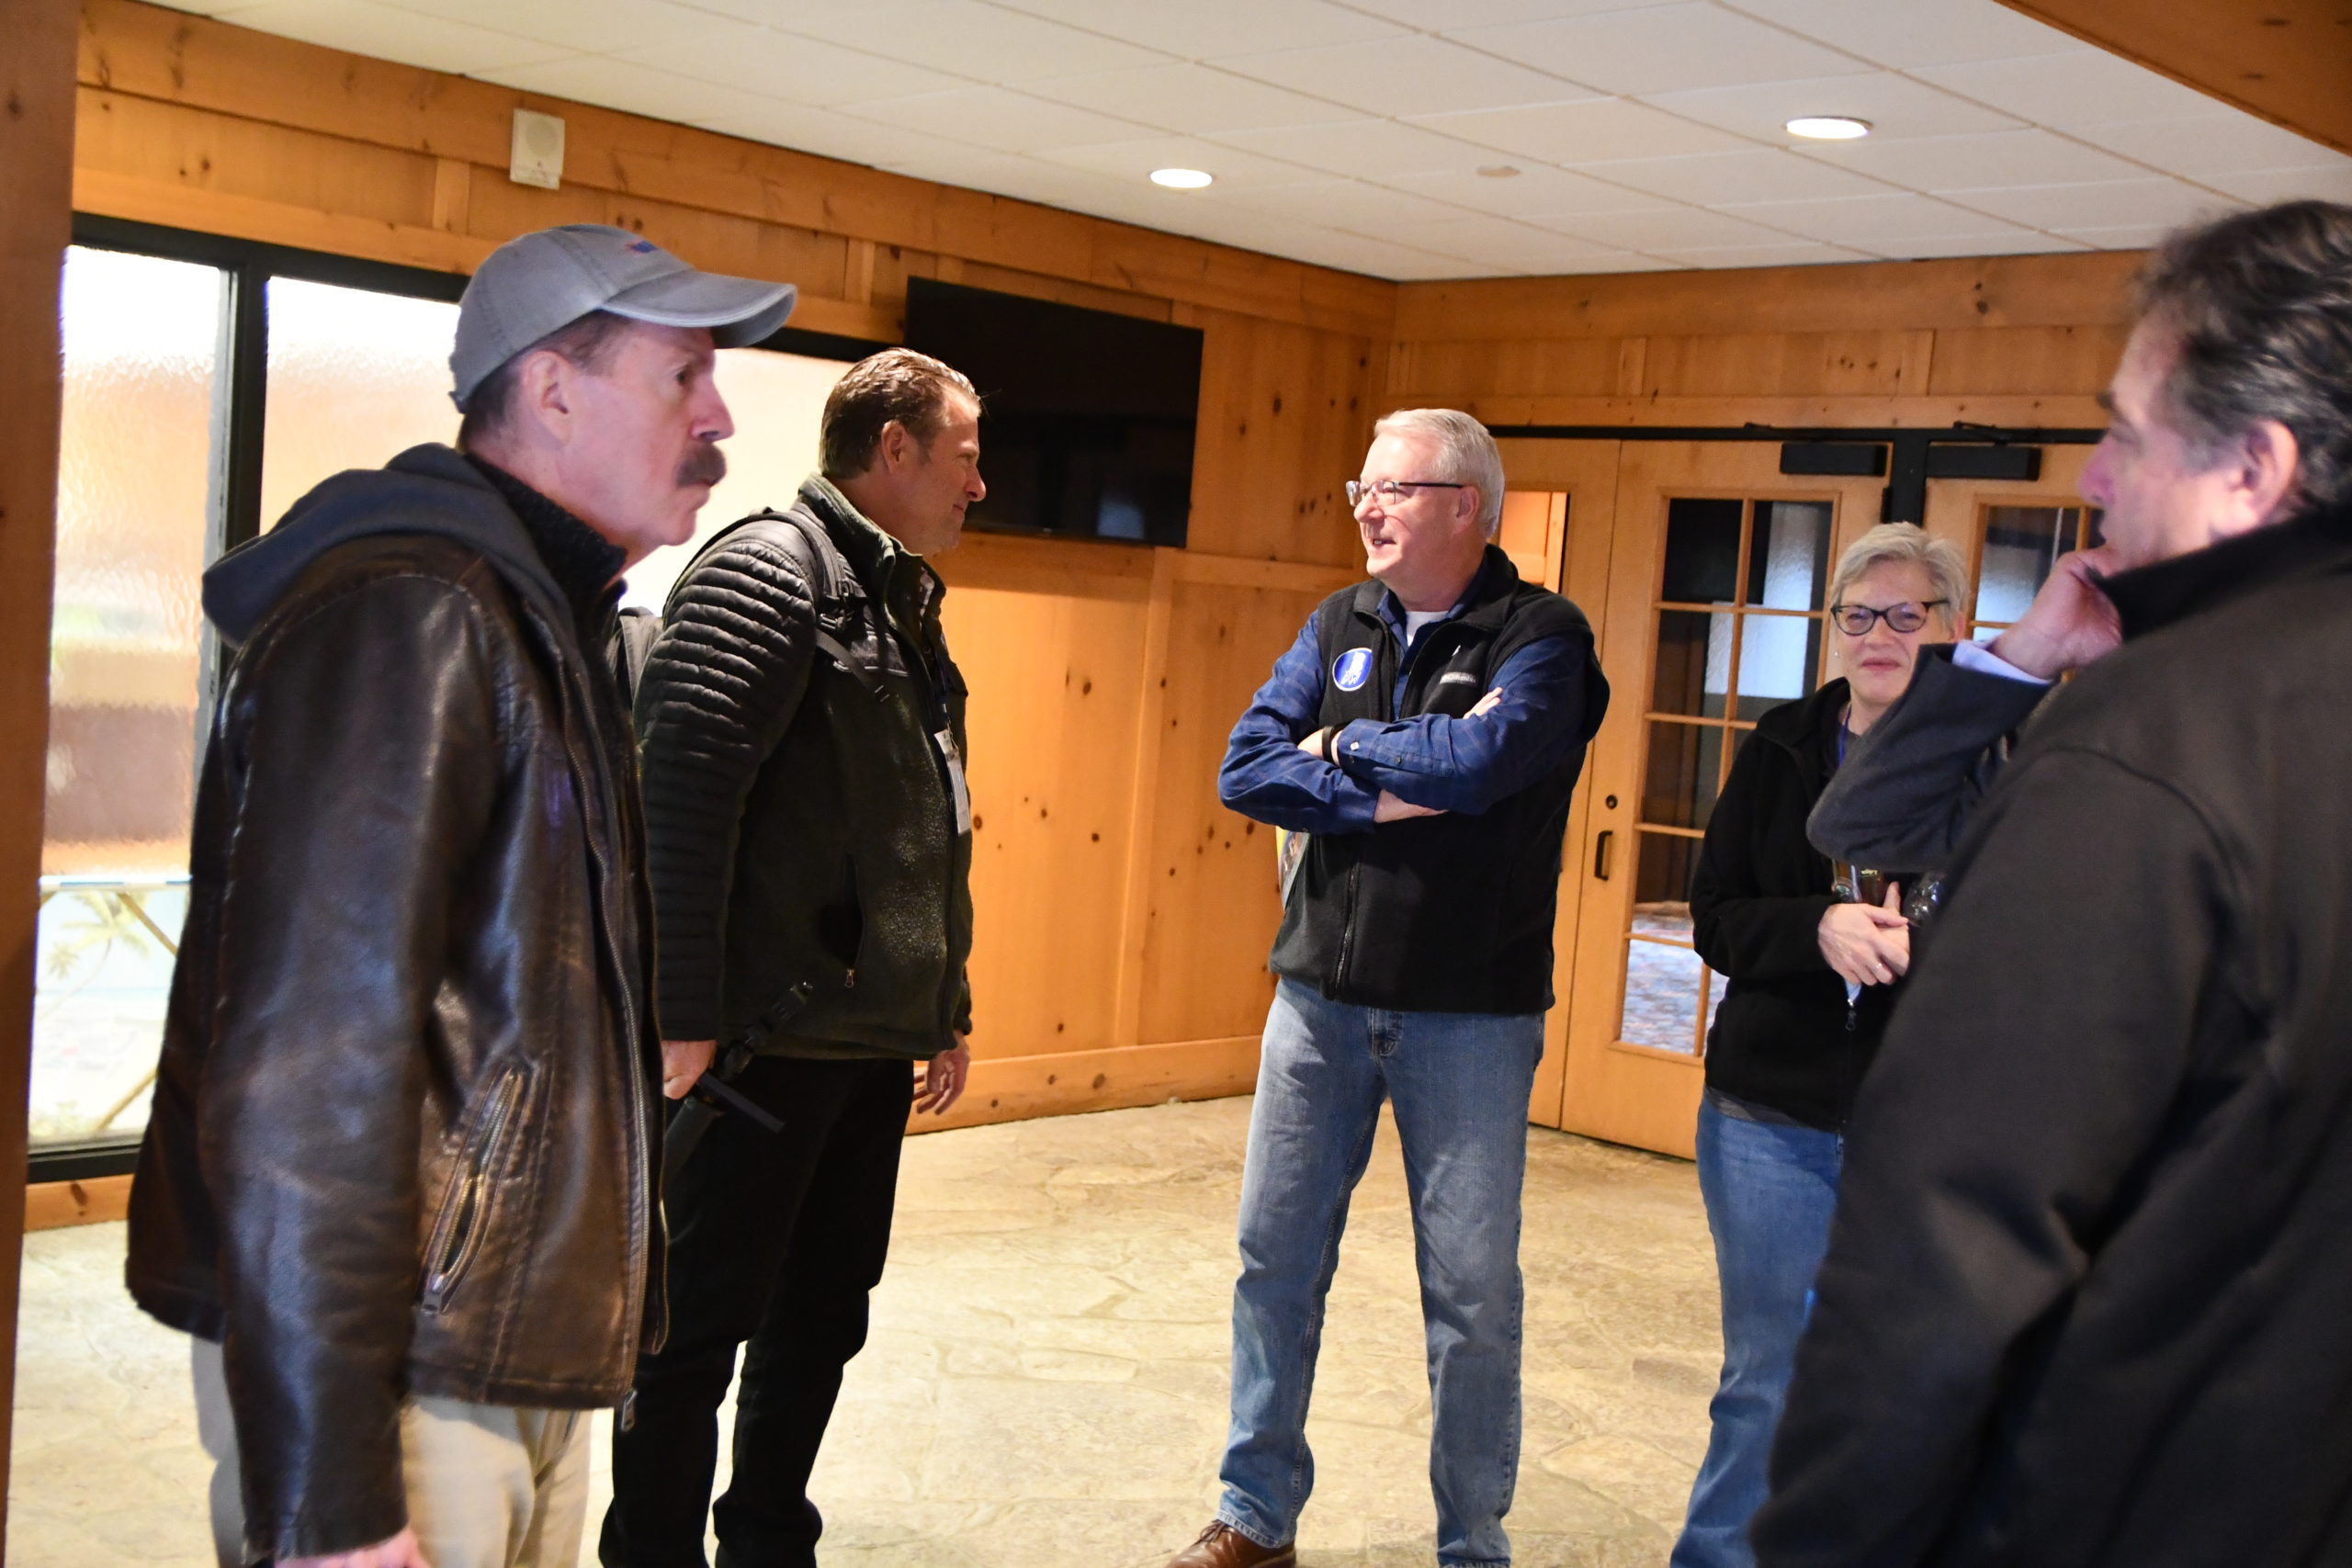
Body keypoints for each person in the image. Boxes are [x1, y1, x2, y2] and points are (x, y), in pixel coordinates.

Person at [123, 223, 796, 1568]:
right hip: (405, 1361)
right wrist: (331, 1492)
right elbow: (310, 1071)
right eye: (683, 376)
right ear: (552, 390)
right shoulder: (413, 614)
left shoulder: (540, 613)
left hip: (491, 1334)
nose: (719, 417)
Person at [1754, 199, 2352, 1567]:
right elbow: (1859, 816)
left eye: (2126, 433)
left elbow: (1950, 1248)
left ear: (2253, 467)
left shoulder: (2156, 737)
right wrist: (2024, 659)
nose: (2092, 476)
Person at [1169, 410, 1609, 1568]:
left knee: (1470, 1297)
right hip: (1314, 1003)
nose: (1365, 506)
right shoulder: (1338, 621)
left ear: (1464, 505)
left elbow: (1484, 763)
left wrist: (1340, 749)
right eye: (1360, 487)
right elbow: (1245, 767)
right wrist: (1388, 779)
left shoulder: (1542, 637)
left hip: (1470, 1016)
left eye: (1391, 488)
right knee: (1274, 1266)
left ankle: (1472, 1545)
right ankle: (1255, 1516)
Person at [601, 348, 983, 1568]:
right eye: (965, 454)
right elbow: (680, 801)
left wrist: (943, 1001)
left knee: (821, 1318)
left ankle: (768, 1540)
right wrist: (679, 1011)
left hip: (862, 1042)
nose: (979, 483)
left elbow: (924, 825)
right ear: (894, 449)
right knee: (691, 1333)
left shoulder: (899, 601)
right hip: (758, 1048)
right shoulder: (770, 572)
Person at [1670, 525, 1969, 1568]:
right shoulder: (1781, 745)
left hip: (1929, 1129)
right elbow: (1714, 915)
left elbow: (2044, 935)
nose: (1878, 634)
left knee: (1913, 1379)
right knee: (1766, 1379)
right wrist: (1818, 929)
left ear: (1950, 626)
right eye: (1857, 614)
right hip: (1769, 1119)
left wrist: (1932, 945)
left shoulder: (2000, 760)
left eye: (1906, 614)